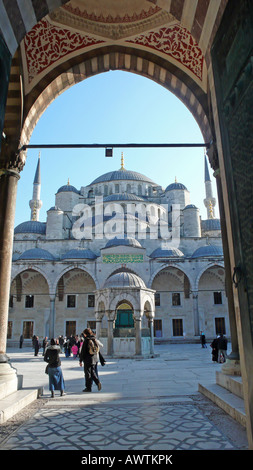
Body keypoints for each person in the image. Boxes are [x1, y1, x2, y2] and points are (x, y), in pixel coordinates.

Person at [79, 328, 102, 393]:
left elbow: (83, 351)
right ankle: (97, 382)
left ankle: (88, 387)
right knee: (93, 372)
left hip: (87, 359)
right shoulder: (94, 339)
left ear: (85, 334)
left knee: (87, 373)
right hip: (94, 359)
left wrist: (80, 360)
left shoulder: (86, 340)